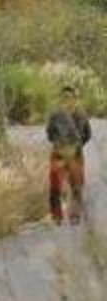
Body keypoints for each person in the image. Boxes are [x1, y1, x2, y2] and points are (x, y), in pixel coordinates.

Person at [47, 86, 92, 226]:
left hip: (74, 155)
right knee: (55, 186)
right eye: (64, 97)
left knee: (76, 186)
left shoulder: (81, 115)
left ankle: (73, 215)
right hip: (59, 154)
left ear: (74, 99)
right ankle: (57, 216)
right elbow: (49, 133)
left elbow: (88, 134)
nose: (67, 100)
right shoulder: (55, 115)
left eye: (69, 97)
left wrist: (76, 146)